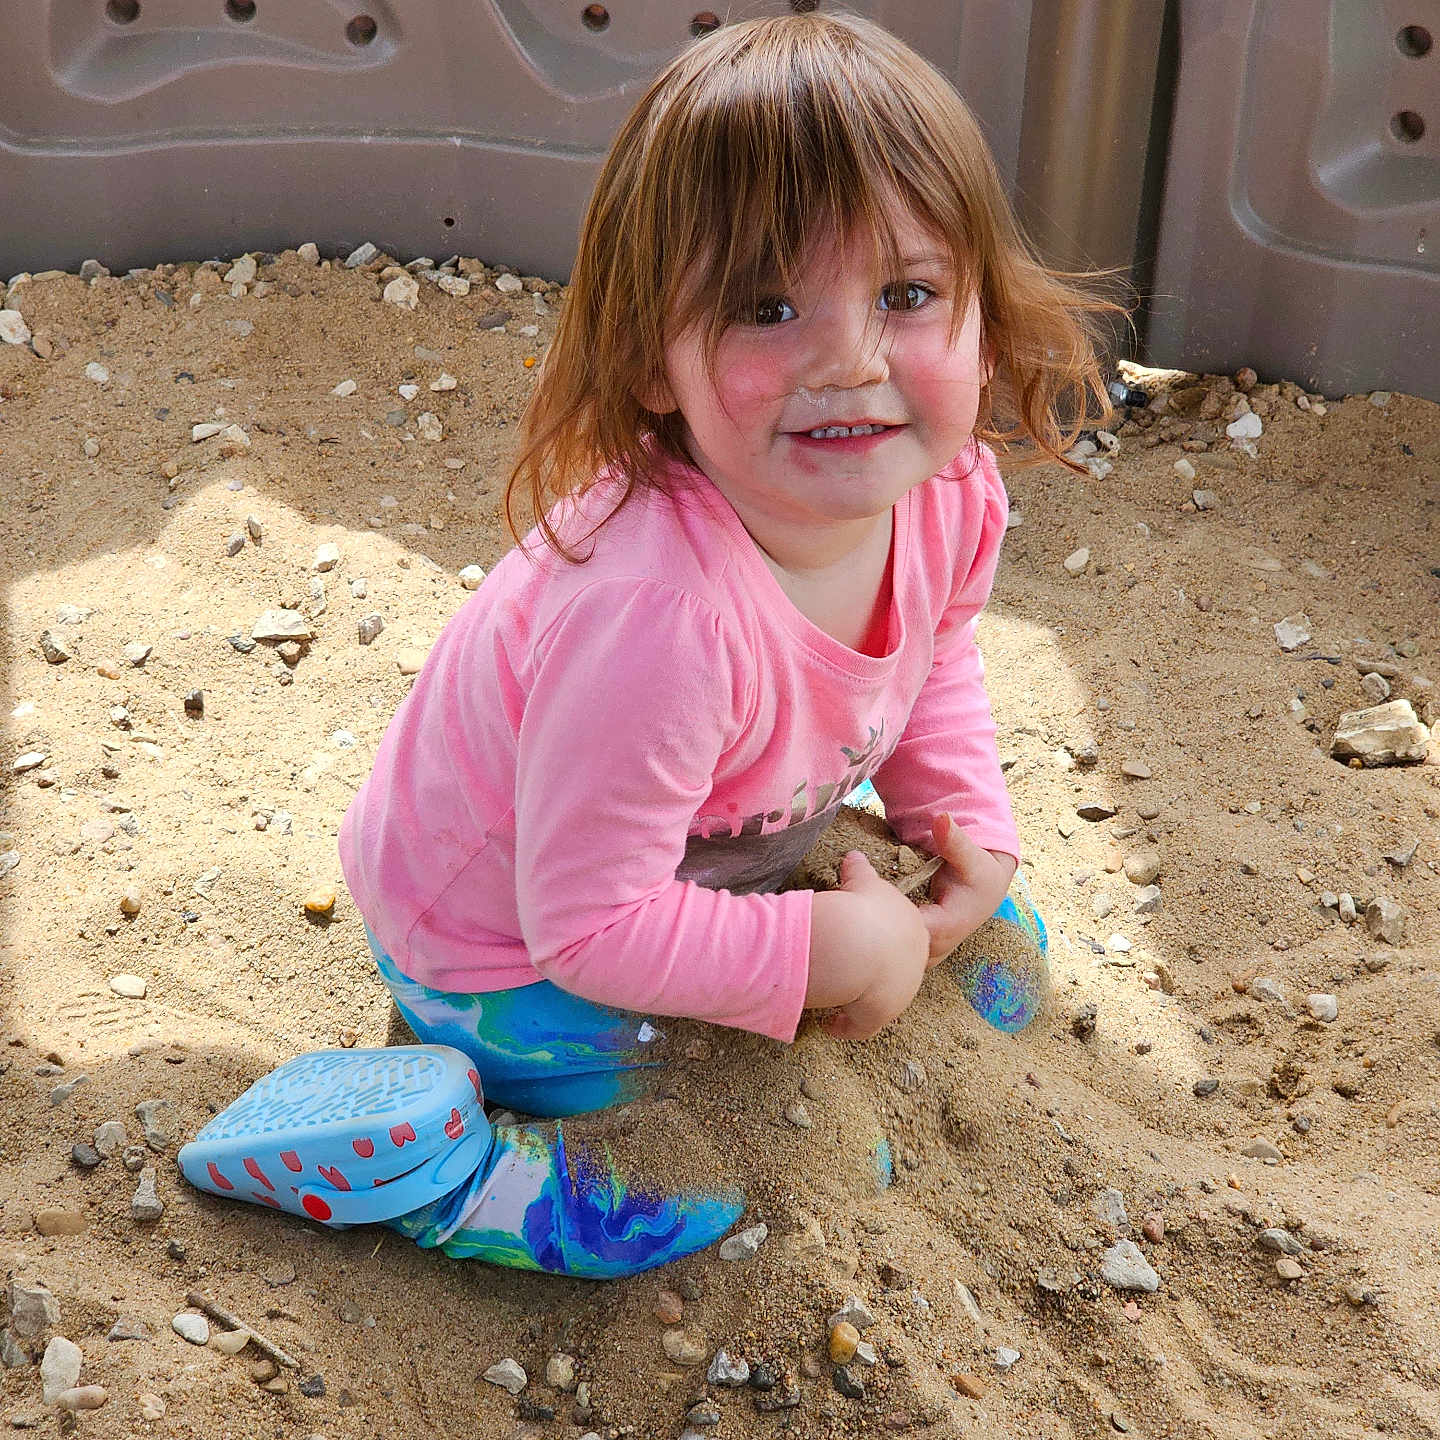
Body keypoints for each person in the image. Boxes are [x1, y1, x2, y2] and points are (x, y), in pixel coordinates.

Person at [178, 9, 1111, 1278]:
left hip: (695, 850)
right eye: (767, 305)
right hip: (502, 944)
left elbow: (931, 658)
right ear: (651, 361)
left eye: (906, 294)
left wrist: (965, 820)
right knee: (724, 1184)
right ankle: (437, 1167)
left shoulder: (947, 495)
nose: (847, 357)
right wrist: (822, 950)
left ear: (984, 320)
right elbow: (589, 927)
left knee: (1003, 959)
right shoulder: (658, 616)